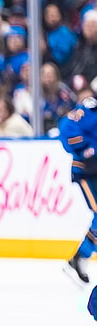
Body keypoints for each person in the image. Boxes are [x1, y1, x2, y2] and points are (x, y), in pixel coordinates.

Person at [58, 95, 97, 284]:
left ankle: (81, 255)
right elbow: (66, 127)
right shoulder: (89, 109)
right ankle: (81, 255)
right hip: (89, 172)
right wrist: (88, 148)